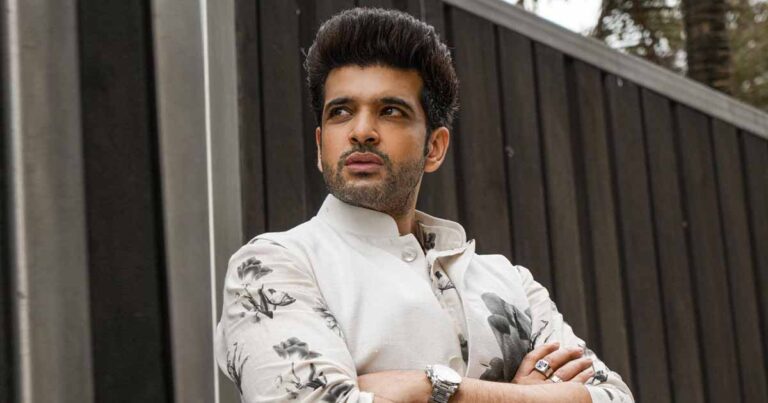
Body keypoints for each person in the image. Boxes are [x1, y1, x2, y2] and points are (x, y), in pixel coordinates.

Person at [214, 7, 633, 403]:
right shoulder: (274, 265)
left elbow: (614, 396)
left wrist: (427, 387)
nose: (362, 131)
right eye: (341, 111)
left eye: (390, 111)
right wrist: (526, 396)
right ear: (321, 146)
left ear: (434, 147)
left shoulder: (511, 281)